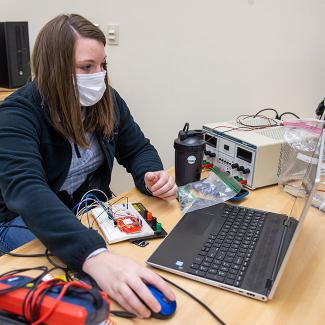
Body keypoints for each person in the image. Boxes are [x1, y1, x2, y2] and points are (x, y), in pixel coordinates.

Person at [0, 13, 177, 318]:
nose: (99, 75)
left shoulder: (108, 100)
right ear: (54, 68)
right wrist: (94, 256)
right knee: (66, 275)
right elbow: (28, 190)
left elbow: (138, 149)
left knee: (144, 251)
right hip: (23, 219)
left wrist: (150, 174)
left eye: (102, 65)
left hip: (86, 208)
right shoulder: (15, 115)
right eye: (86, 67)